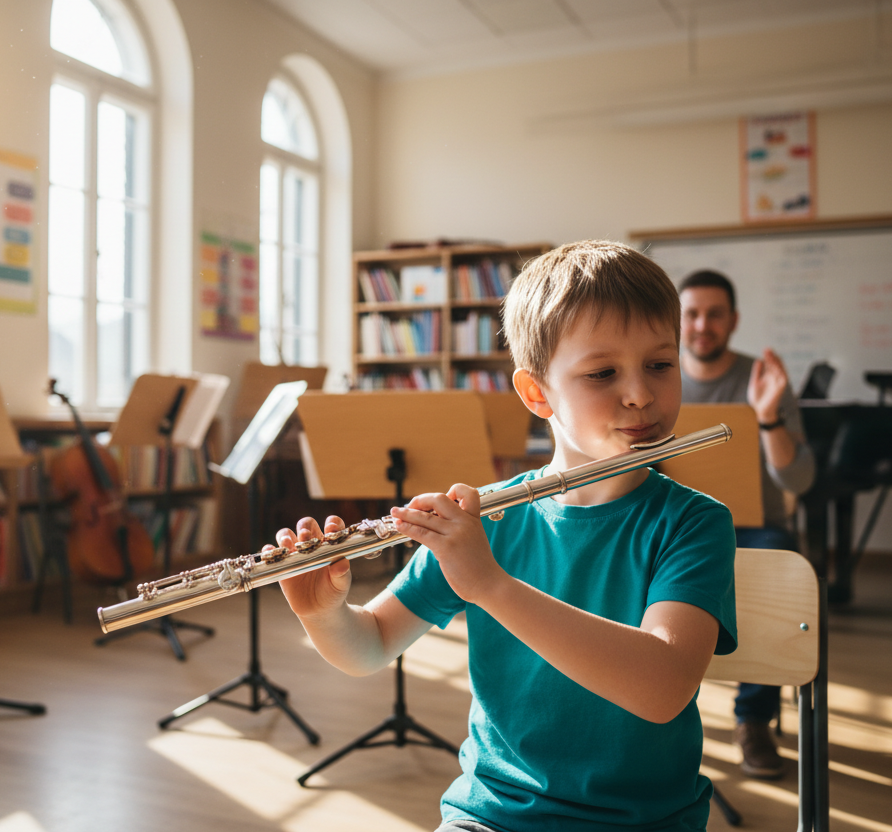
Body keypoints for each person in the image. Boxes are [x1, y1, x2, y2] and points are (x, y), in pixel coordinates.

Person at [271, 241, 738, 832]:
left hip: (640, 823)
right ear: (536, 392)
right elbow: (370, 645)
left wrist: (490, 585)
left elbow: (662, 688)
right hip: (490, 816)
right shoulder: (484, 519)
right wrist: (322, 614)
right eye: (602, 373)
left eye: (660, 365)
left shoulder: (693, 523)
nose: (640, 394)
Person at [677, 268, 815, 781]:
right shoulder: (658, 376)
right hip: (681, 524)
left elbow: (799, 478)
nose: (702, 325)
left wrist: (769, 416)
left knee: (778, 561)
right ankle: (657, 707)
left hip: (755, 528)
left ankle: (753, 720)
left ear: (733, 320)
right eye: (692, 314)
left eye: (714, 314)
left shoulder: (763, 380)